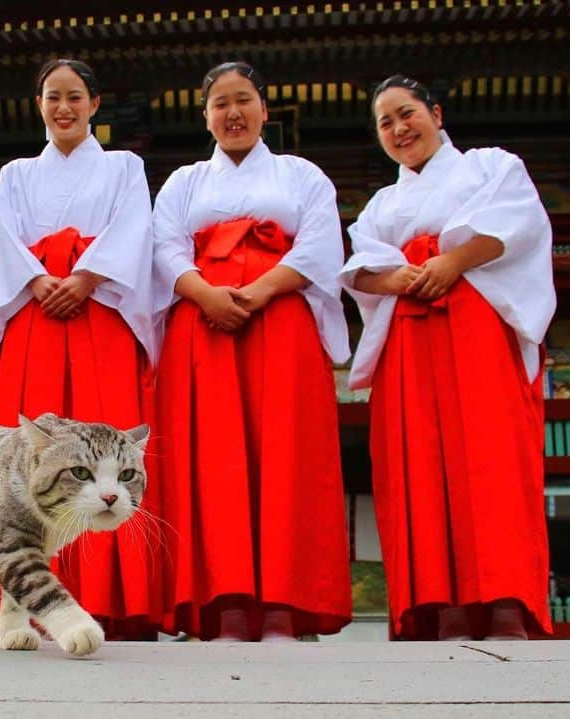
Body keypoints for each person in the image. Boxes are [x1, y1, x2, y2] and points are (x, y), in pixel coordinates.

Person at [341, 74, 554, 640]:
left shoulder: (490, 166)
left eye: (406, 113)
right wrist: (400, 276)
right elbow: (361, 269)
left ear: (435, 113)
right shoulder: (383, 203)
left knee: (492, 459)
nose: (398, 128)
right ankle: (440, 607)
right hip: (410, 340)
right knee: (419, 465)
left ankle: (506, 603)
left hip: (478, 323)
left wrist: (450, 263)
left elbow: (520, 225)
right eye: (385, 122)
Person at [151, 61, 352, 642]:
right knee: (211, 458)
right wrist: (204, 293)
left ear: (265, 109)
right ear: (205, 116)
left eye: (243, 101)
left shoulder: (302, 175)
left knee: (287, 452)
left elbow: (319, 243)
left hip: (281, 317)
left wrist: (260, 289)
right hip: (203, 323)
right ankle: (224, 601)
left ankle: (288, 601)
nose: (232, 113)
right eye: (220, 104)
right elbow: (165, 247)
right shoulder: (185, 182)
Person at [0, 58, 162, 637]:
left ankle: (113, 597)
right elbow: (4, 237)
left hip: (98, 308)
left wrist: (84, 278)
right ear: (39, 105)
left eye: (74, 97)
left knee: (106, 443)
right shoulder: (15, 174)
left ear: (94, 105)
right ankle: (17, 597)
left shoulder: (126, 167)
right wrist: (36, 280)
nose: (64, 108)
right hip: (35, 310)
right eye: (53, 97)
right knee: (29, 448)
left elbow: (135, 229)